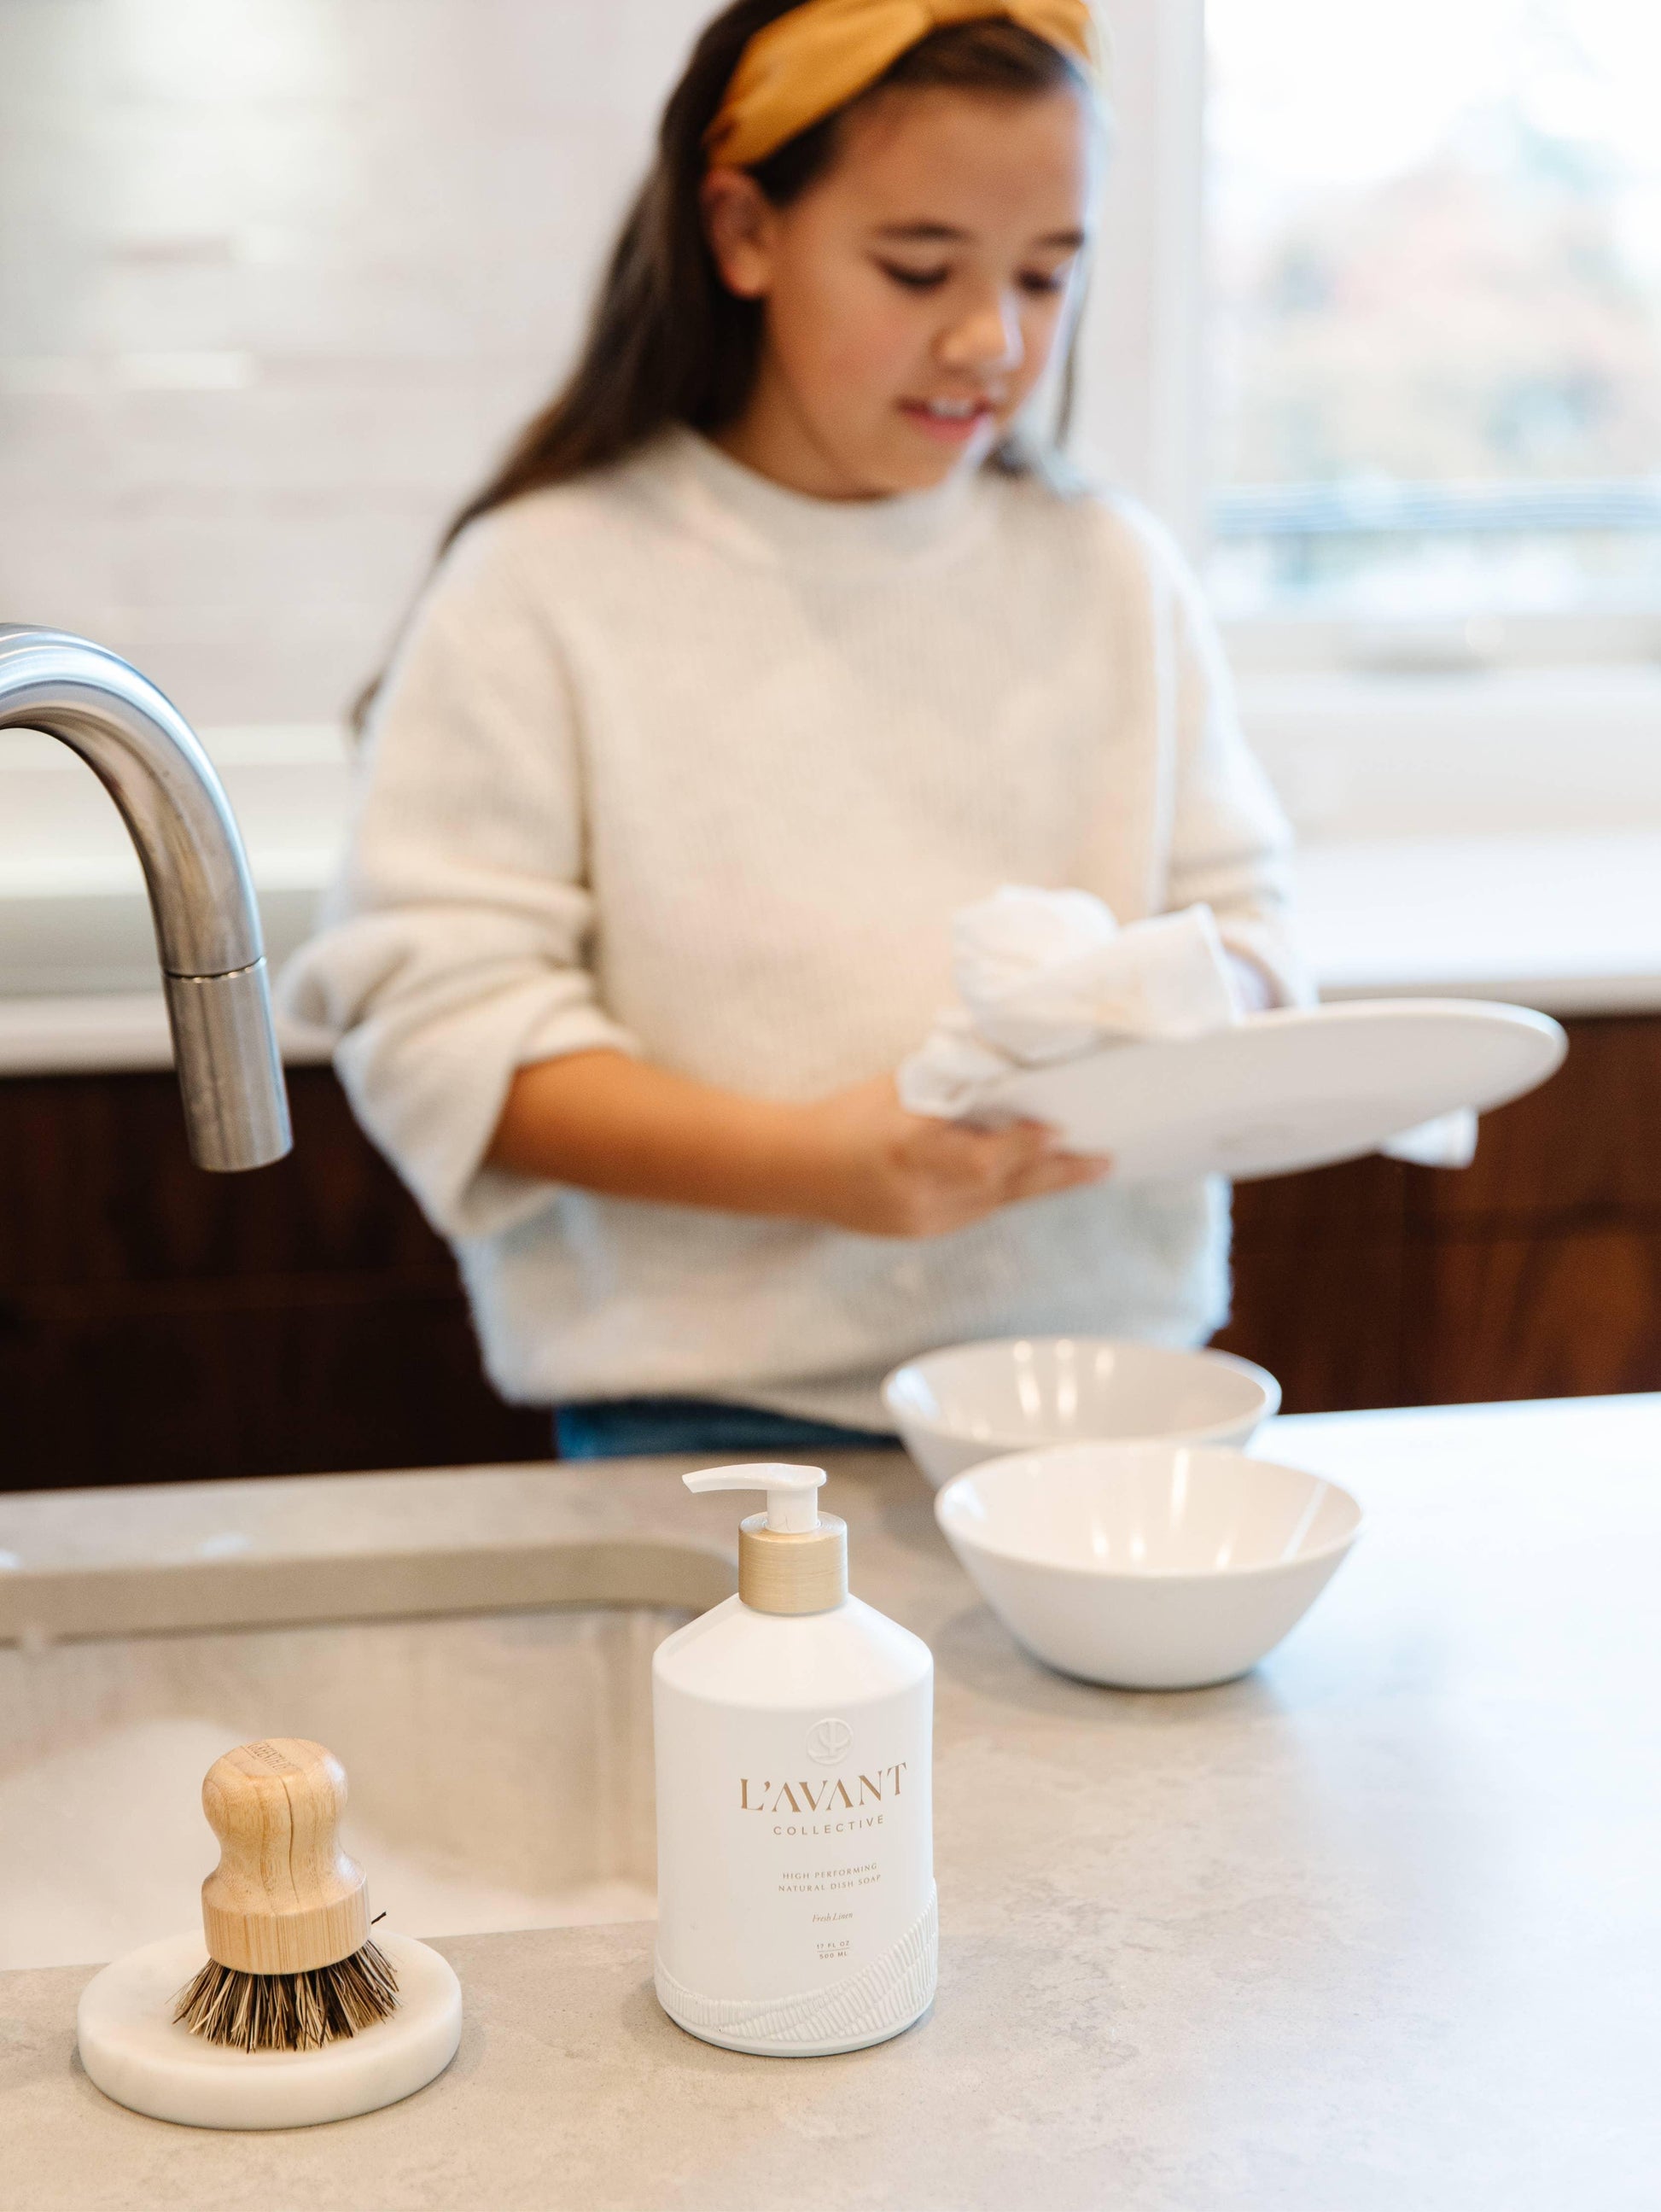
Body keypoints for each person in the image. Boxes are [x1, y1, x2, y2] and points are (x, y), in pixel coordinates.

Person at [282, 0, 1304, 1462]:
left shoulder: (1109, 572)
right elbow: (445, 1027)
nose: (989, 337)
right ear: (743, 231)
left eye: (1045, 273)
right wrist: (811, 1168)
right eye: (916, 267)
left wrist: (1176, 1014)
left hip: (1105, 1400)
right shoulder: (547, 585)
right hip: (707, 1417)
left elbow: (1253, 932)